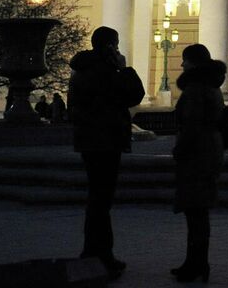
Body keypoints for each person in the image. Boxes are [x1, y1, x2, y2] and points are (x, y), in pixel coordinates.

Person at [68, 26, 146, 278]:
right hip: (106, 140)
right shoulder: (106, 71)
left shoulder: (81, 70)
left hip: (89, 141)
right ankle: (101, 255)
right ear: (110, 46)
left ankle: (93, 251)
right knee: (102, 200)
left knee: (97, 200)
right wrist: (124, 68)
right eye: (116, 44)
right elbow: (134, 95)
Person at [170, 43, 226, 284]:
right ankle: (196, 262)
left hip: (196, 153)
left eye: (185, 60)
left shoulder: (194, 89)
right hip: (210, 149)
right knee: (199, 211)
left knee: (194, 212)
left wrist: (179, 150)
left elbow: (191, 124)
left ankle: (195, 264)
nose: (182, 65)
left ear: (193, 63)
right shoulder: (212, 86)